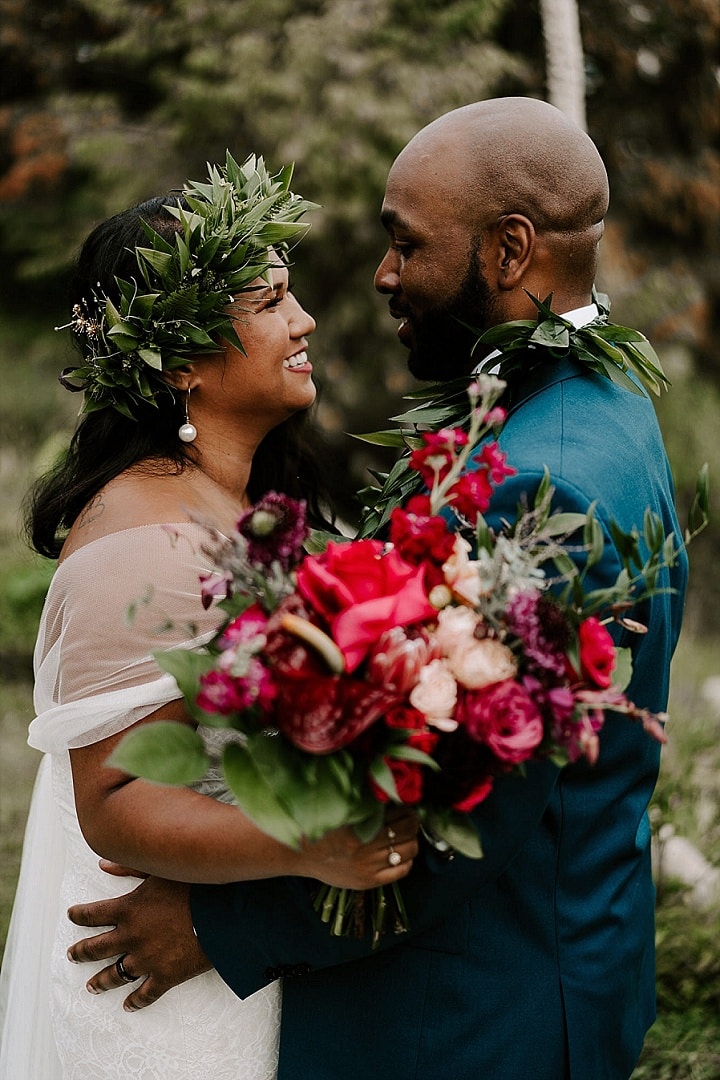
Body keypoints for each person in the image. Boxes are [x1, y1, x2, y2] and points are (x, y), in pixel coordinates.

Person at [61, 98, 687, 1079]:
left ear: (509, 250)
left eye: (407, 244)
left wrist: (220, 927)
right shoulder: (581, 402)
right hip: (528, 964)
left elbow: (469, 806)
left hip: (470, 1010)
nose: (382, 275)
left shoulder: (544, 472)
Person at [0, 154, 419, 1079]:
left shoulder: (228, 508)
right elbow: (115, 805)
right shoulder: (139, 542)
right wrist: (317, 846)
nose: (304, 318)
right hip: (152, 1001)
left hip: (226, 966)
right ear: (183, 359)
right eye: (270, 302)